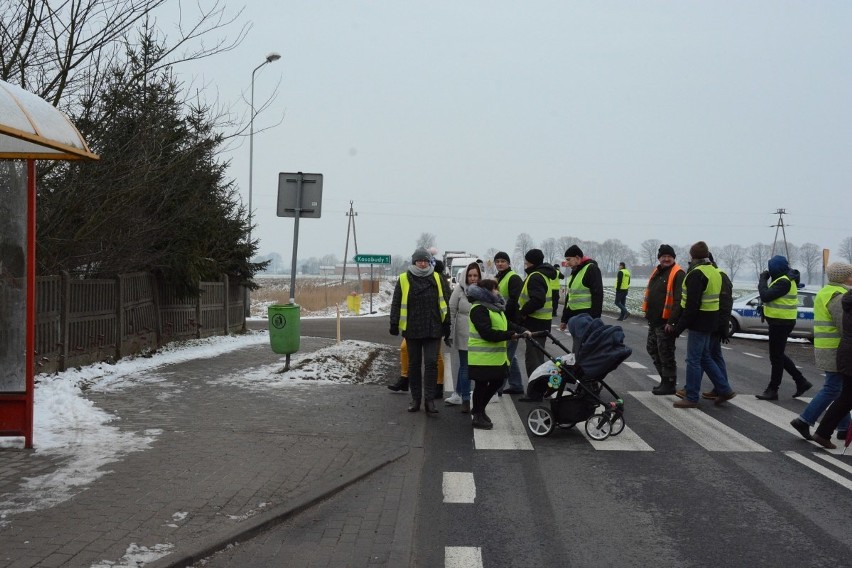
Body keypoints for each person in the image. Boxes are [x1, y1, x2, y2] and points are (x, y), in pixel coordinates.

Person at [668, 241, 736, 408]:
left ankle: (691, 396)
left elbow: (691, 306)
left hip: (699, 323)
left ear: (692, 256)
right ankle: (724, 389)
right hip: (711, 322)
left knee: (693, 360)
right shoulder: (714, 272)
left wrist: (678, 328)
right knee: (705, 357)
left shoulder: (696, 274)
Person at [790, 262, 852, 441]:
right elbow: (845, 326)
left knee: (841, 390)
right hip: (835, 347)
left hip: (827, 346)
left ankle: (843, 427)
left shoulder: (826, 291)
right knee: (833, 388)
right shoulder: (838, 296)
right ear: (845, 278)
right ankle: (804, 420)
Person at [389, 247, 450, 414]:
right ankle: (416, 399)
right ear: (414, 262)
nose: (422, 263)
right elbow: (396, 302)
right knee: (414, 365)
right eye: (419, 261)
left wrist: (447, 325)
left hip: (433, 327)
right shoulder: (404, 278)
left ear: (429, 261)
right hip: (412, 328)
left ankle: (429, 400)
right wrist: (394, 323)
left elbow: (446, 301)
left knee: (431, 363)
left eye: (425, 260)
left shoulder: (437, 278)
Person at [466, 279, 530, 429]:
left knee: (497, 382)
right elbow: (486, 333)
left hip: (494, 357)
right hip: (482, 357)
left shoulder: (495, 308)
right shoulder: (478, 308)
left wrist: (522, 330)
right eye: (495, 289)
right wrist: (510, 335)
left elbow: (507, 324)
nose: (498, 292)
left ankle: (479, 410)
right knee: (481, 385)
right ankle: (477, 415)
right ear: (486, 292)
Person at [754, 255, 813, 400]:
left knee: (776, 357)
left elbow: (766, 296)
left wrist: (762, 280)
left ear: (776, 269)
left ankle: (773, 389)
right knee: (778, 355)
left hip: (781, 322)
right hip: (781, 321)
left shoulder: (784, 282)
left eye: (771, 268)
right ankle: (801, 381)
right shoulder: (786, 279)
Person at [681, 253, 735, 400]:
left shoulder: (717, 275)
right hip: (713, 323)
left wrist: (723, 326)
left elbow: (725, 303)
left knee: (703, 357)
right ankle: (721, 388)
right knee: (711, 356)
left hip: (712, 324)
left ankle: (718, 389)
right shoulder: (717, 274)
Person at [642, 244, 685, 395]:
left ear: (674, 258)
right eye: (663, 256)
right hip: (654, 320)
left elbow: (679, 300)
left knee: (665, 352)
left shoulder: (677, 273)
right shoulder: (658, 272)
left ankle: (669, 383)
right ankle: (664, 379)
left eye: (669, 256)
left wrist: (672, 321)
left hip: (666, 321)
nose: (666, 259)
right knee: (652, 348)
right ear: (659, 258)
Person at [812, 288, 852, 449]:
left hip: (847, 351)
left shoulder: (848, 300)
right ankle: (823, 432)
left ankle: (824, 432)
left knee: (847, 396)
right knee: (847, 397)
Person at [516, 249, 558, 398]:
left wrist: (523, 312)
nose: (524, 264)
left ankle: (535, 392)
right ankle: (540, 389)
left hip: (535, 324)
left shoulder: (535, 276)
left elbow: (538, 300)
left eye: (526, 261)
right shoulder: (543, 275)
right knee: (537, 359)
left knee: (533, 361)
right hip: (542, 323)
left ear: (531, 262)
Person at [444, 262, 482, 412]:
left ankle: (458, 393)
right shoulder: (459, 290)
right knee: (466, 365)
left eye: (475, 276)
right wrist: (449, 331)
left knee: (469, 365)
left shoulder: (484, 289)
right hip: (463, 331)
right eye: (470, 275)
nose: (473, 278)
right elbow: (452, 310)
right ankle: (466, 399)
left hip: (479, 332)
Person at [494, 251, 525, 395]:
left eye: (502, 261)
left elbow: (514, 302)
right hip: (503, 322)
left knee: (505, 357)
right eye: (497, 261)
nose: (500, 264)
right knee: (510, 356)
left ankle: (497, 388)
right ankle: (517, 385)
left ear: (508, 263)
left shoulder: (513, 278)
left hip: (511, 323)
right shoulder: (499, 278)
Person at [559, 245, 603, 332]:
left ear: (577, 258)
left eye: (568, 259)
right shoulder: (575, 271)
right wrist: (564, 319)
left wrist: (594, 321)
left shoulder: (591, 269)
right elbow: (570, 297)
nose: (567, 263)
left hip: (586, 318)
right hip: (574, 317)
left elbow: (598, 296)